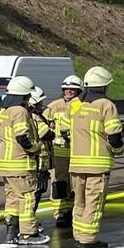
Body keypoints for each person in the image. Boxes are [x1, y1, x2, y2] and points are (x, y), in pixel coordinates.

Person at [68, 66, 124, 248]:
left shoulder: (75, 104)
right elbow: (114, 134)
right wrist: (118, 150)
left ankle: (78, 236)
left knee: (79, 202)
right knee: (94, 202)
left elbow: (64, 128)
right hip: (97, 165)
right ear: (104, 86)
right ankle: (89, 239)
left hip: (76, 164)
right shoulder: (106, 105)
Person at [0, 75, 47, 244]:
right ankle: (29, 234)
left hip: (5, 163)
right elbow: (22, 137)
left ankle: (12, 232)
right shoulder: (20, 111)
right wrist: (35, 148)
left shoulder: (5, 111)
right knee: (27, 198)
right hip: (20, 163)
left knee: (12, 199)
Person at [46, 75, 83, 227]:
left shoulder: (83, 105)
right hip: (59, 150)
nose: (69, 91)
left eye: (72, 89)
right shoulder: (54, 106)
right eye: (66, 88)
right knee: (59, 183)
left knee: (77, 183)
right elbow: (43, 124)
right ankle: (61, 213)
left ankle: (76, 212)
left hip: (78, 150)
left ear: (78, 90)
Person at [26, 85, 55, 219]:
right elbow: (46, 134)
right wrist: (53, 128)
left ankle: (28, 221)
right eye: (39, 103)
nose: (41, 106)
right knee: (36, 192)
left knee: (36, 191)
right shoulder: (35, 117)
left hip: (39, 161)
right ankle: (30, 221)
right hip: (40, 161)